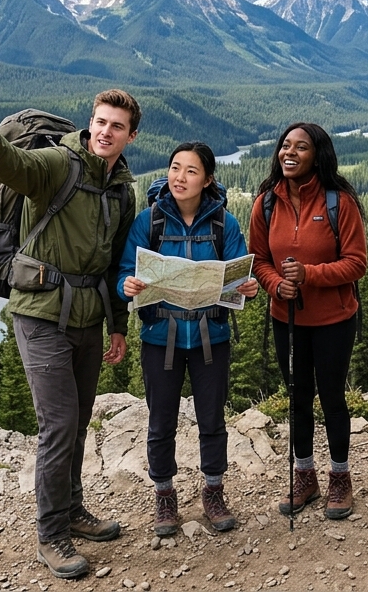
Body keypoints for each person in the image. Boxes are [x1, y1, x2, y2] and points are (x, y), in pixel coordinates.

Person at [0, 91, 139, 580]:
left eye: (116, 126)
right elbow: (17, 168)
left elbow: (117, 264)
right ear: (90, 123)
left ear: (130, 135)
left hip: (88, 317)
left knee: (77, 422)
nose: (105, 132)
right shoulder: (60, 163)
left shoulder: (122, 189)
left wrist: (118, 326)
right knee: (57, 424)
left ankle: (74, 510)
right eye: (100, 122)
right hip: (38, 313)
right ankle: (51, 533)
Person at [116, 142, 259, 537]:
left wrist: (247, 288)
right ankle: (164, 497)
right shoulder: (149, 221)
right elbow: (124, 271)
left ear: (208, 179)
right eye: (175, 168)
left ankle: (213, 492)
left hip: (211, 336)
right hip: (160, 337)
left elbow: (239, 275)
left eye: (191, 171)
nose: (180, 177)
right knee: (160, 421)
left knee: (212, 420)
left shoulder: (224, 224)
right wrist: (125, 284)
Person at [249, 122, 368, 520]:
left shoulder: (339, 202)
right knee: (298, 398)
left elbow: (357, 263)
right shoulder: (266, 202)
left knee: (332, 398)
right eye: (285, 145)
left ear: (317, 155)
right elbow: (258, 260)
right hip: (288, 319)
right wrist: (275, 284)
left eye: (300, 147)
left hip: (334, 319)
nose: (290, 153)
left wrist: (309, 275)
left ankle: (339, 478)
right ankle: (304, 476)